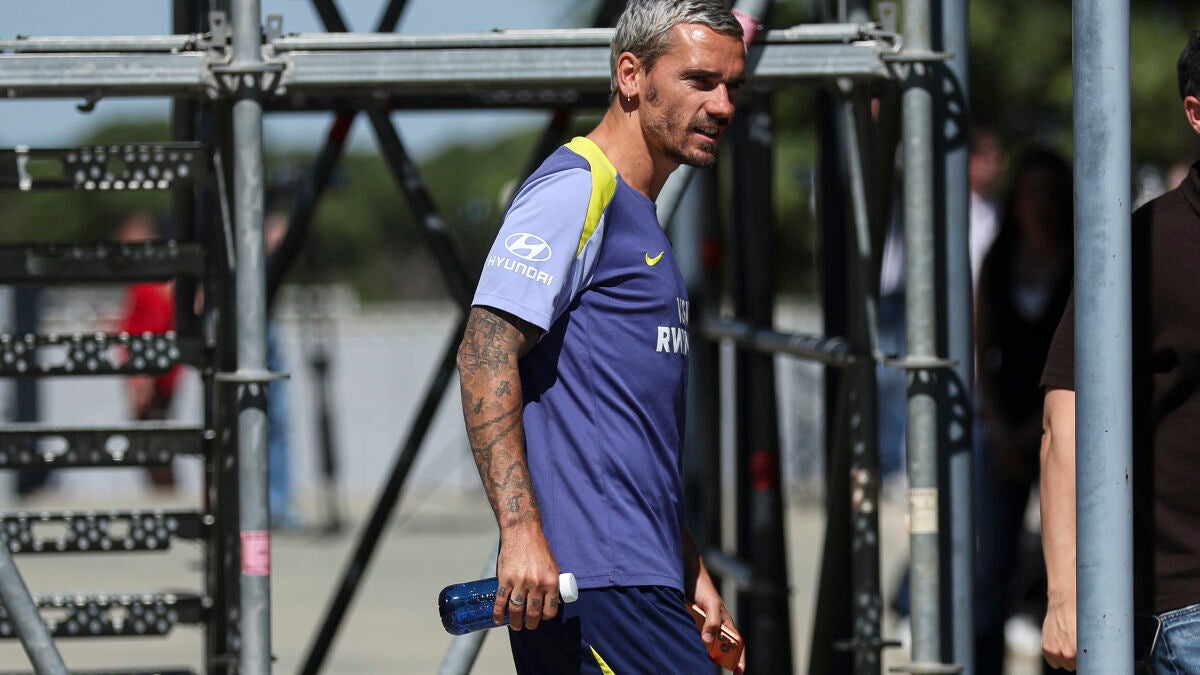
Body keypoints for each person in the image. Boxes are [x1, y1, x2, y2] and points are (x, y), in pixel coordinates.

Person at [454, 1, 746, 672]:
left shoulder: (638, 214)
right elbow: (483, 352)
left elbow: (626, 430)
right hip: (593, 587)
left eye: (733, 86)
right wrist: (520, 531)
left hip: (639, 578)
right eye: (701, 81)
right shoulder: (576, 190)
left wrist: (686, 565)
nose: (723, 105)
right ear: (631, 75)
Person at [1040, 29, 1200, 673]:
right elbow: (1066, 414)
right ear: (1196, 113)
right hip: (1186, 611)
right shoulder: (1144, 244)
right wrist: (1064, 594)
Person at [972, 147, 1073, 674]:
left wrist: (1042, 430)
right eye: (1031, 192)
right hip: (1007, 432)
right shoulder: (998, 261)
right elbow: (981, 350)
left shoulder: (1081, 262)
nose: (1041, 205)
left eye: (1051, 194)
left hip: (1065, 432)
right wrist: (1000, 428)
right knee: (991, 568)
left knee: (1068, 569)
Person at [117, 212, 181, 490]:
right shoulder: (152, 277)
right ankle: (166, 496)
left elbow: (155, 325)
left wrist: (144, 374)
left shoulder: (150, 281)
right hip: (154, 369)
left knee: (152, 443)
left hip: (152, 372)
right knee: (154, 440)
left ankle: (166, 499)